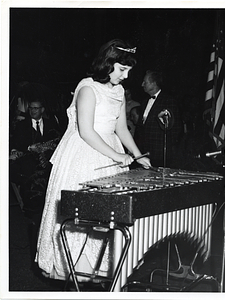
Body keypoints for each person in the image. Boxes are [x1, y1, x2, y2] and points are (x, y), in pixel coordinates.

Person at [35, 39, 151, 283]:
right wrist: (118, 156)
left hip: (111, 151)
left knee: (109, 219)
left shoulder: (118, 91)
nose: (126, 76)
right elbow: (86, 131)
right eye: (122, 69)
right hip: (85, 153)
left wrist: (138, 155)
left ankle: (104, 271)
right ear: (108, 64)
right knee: (83, 217)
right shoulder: (87, 88)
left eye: (129, 70)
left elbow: (121, 128)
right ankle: (77, 269)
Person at [9, 98, 61, 263]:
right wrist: (30, 148)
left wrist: (46, 148)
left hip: (47, 164)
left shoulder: (51, 122)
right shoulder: (21, 126)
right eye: (31, 108)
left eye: (36, 108)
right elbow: (16, 145)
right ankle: (33, 212)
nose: (33, 111)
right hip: (30, 167)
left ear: (42, 109)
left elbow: (58, 141)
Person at [134, 70, 183, 167]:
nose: (142, 84)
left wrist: (167, 150)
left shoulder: (168, 101)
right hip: (144, 153)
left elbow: (175, 129)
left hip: (160, 154)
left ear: (153, 83)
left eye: (145, 82)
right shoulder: (144, 102)